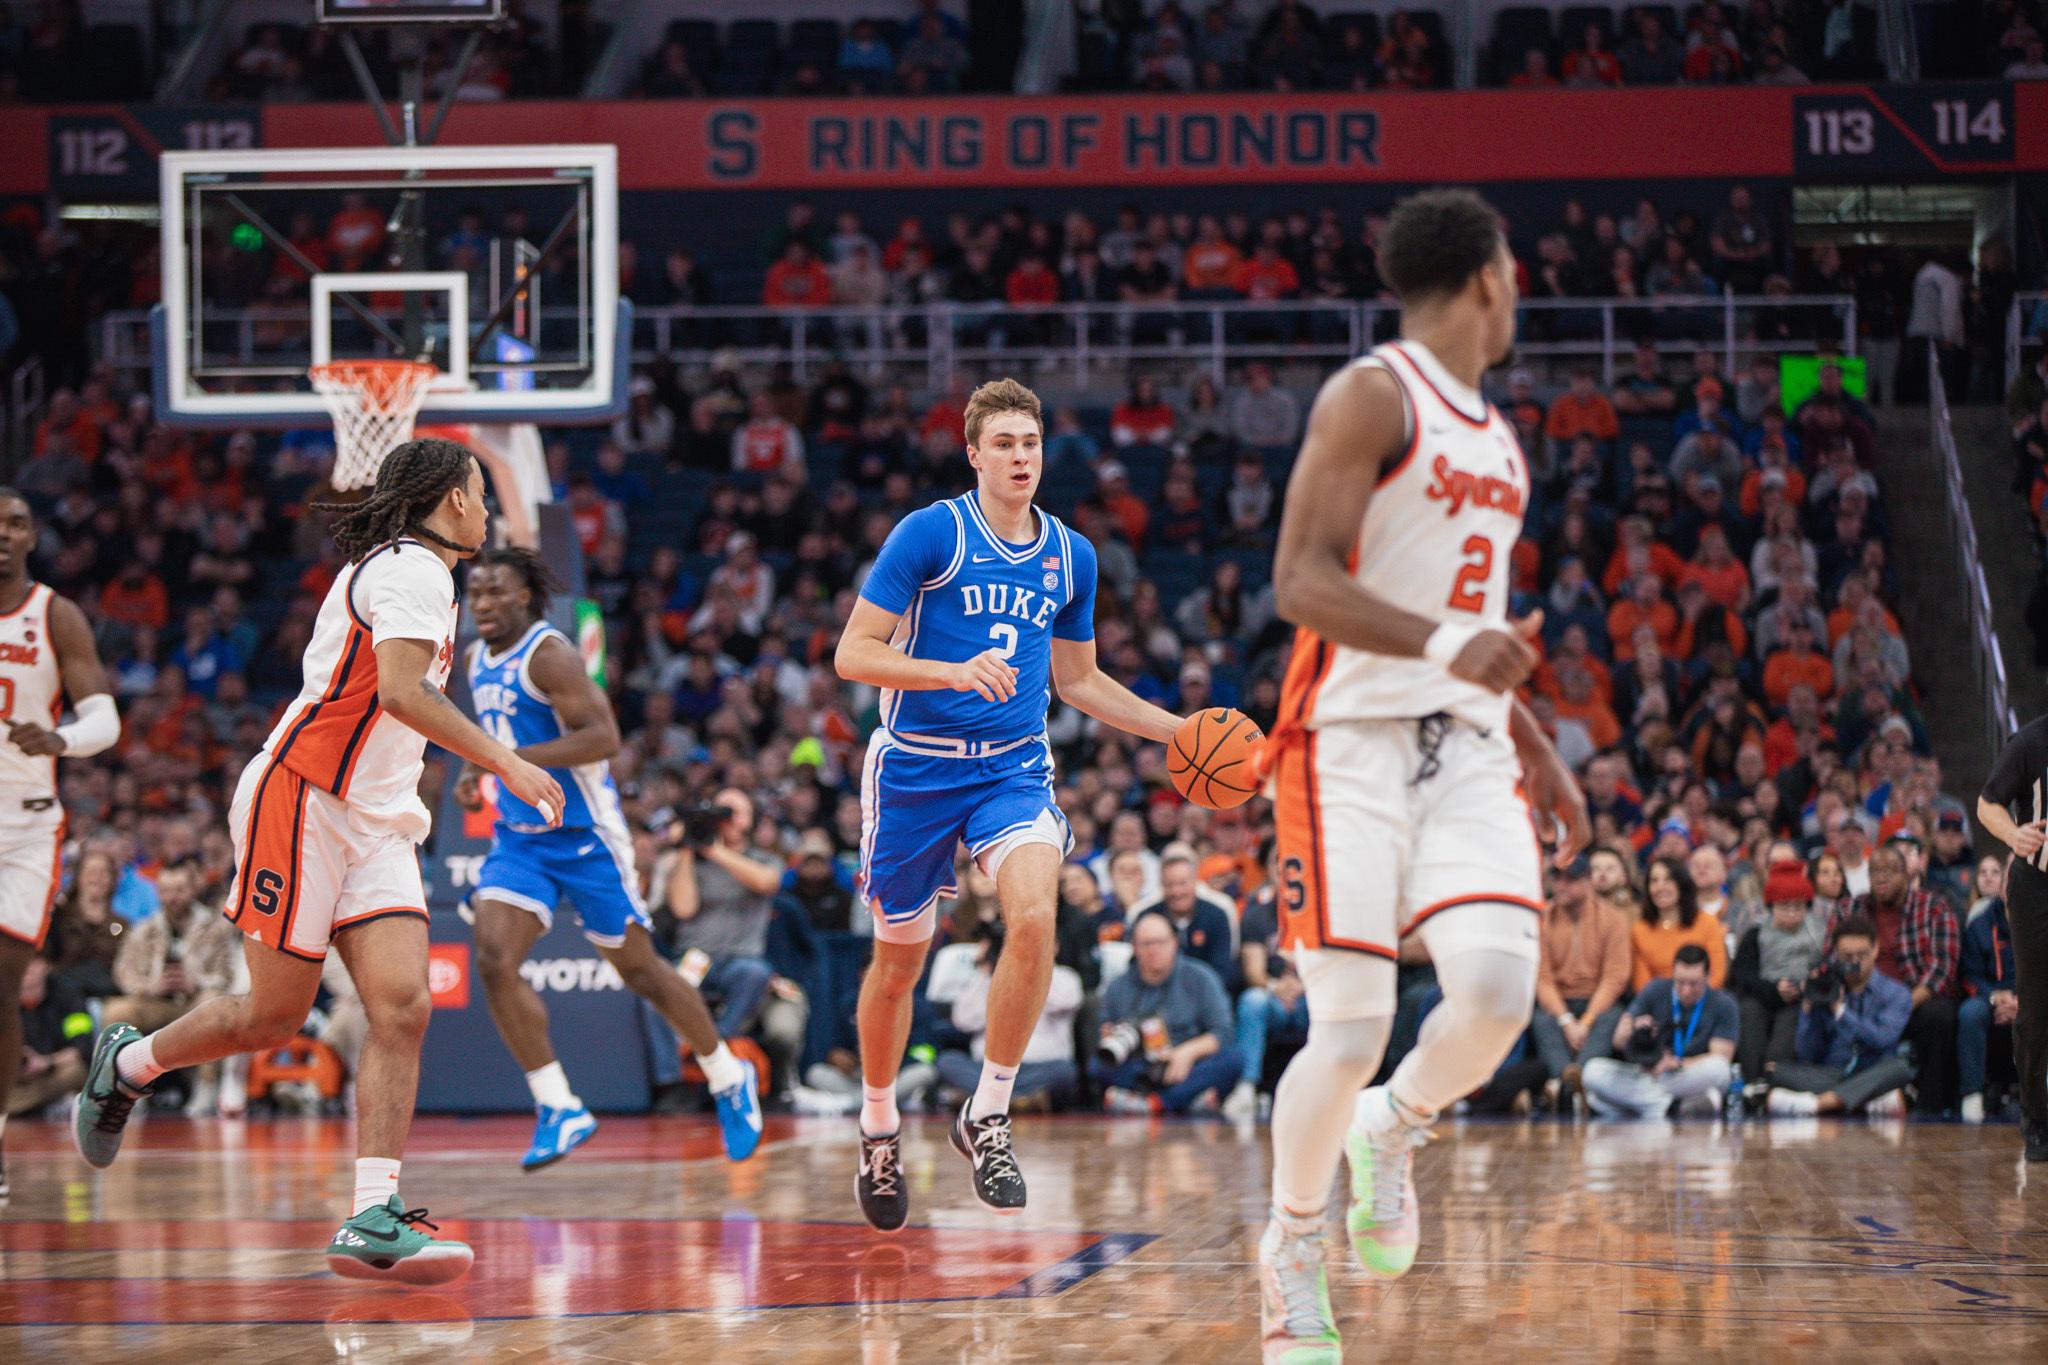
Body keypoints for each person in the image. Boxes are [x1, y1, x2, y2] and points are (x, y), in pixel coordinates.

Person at [72, 439, 566, 1284]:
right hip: (300, 798)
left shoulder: (427, 576)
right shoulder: (413, 570)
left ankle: (372, 1213)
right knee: (272, 1016)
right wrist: (508, 762)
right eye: (482, 495)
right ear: (451, 500)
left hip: (375, 819)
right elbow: (405, 694)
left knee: (404, 1004)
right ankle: (127, 1062)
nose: (490, 512)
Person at [1249, 188, 1590, 1361]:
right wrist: (1451, 648)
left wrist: (1535, 745)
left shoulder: (1496, 436)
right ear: (1489, 277)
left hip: (1467, 746)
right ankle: (1291, 1250)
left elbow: (1476, 620)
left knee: (1496, 994)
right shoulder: (1371, 392)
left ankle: (1389, 1132)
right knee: (1346, 1031)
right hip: (1343, 744)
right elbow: (1296, 580)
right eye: (1517, 275)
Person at [835, 378, 1183, 1230]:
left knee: (1034, 918)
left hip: (1012, 769)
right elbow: (853, 653)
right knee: (899, 964)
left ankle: (987, 1110)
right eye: (1004, 443)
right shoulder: (931, 533)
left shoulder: (1072, 556)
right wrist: (949, 671)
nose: (1021, 456)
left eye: (1030, 442)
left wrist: (1177, 731)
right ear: (974, 453)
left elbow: (1078, 679)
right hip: (915, 768)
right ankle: (879, 1125)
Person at [454, 548, 761, 1171]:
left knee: (643, 973)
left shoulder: (550, 655)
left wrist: (513, 763)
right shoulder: (472, 657)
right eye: (475, 592)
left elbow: (603, 739)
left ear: (524, 599)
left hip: (585, 836)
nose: (481, 604)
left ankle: (727, 1075)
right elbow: (488, 731)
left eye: (494, 593)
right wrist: (472, 767)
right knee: (491, 958)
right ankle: (558, 1104)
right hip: (520, 838)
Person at [0, 487, 120, 1198]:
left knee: (3, 984)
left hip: (26, 821)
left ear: (33, 535)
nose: (3, 533)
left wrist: (60, 737)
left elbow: (104, 719)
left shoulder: (55, 614)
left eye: (15, 522)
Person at [1829, 843, 1959, 1114]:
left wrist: (1898, 1007)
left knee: (1939, 1016)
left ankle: (1930, 1105)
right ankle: (1838, 1090)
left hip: (1914, 1000)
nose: (1881, 877)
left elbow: (1941, 970)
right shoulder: (1848, 908)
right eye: (1875, 870)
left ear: (1907, 875)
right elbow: (1831, 959)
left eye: (1890, 871)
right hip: (1859, 997)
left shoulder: (1934, 907)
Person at [1976, 714, 2048, 1159]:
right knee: (2037, 1008)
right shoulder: (2031, 741)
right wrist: (2013, 833)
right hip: (2037, 886)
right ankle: (2036, 1117)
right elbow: (1988, 804)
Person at [1091, 909, 1240, 1113]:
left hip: (1189, 1062)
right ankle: (1188, 1099)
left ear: (1174, 943)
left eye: (1160, 942)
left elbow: (1223, 1032)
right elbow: (1106, 1034)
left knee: (1233, 1059)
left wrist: (1187, 1053)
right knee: (1097, 1065)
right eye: (1146, 944)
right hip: (1142, 1065)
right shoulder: (1118, 986)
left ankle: (1153, 1103)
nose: (1154, 950)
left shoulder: (1201, 977)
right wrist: (1109, 1035)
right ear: (1134, 947)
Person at [1764, 916, 1914, 1116]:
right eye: (1847, 957)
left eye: (1862, 955)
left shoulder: (1896, 993)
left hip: (1873, 1069)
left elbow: (1882, 1039)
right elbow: (1807, 1053)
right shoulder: (1826, 988)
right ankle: (1865, 1103)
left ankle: (1821, 1104)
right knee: (1778, 1071)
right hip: (1831, 1072)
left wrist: (1841, 1011)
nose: (1855, 963)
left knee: (1900, 1068)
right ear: (1836, 954)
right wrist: (1808, 1008)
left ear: (1875, 949)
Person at [935, 918, 1081, 1112]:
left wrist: (1035, 962)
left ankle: (984, 1101)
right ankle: (1020, 1102)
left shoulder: (1066, 977)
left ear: (1054, 947)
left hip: (1040, 1068)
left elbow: (1063, 1000)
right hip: (989, 1071)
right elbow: (963, 1021)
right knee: (948, 1062)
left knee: (1064, 1072)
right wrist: (988, 970)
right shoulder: (990, 977)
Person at [1580, 944, 1738, 1118]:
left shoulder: (1724, 1003)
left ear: (1709, 976)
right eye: (1680, 982)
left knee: (1719, 1070)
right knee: (1592, 1071)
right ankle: (1670, 1107)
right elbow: (1619, 1041)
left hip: (1685, 1074)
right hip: (1647, 1073)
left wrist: (1675, 1064)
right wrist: (1631, 1030)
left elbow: (1722, 1057)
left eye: (1694, 984)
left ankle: (1635, 1106)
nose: (1686, 991)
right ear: (1673, 974)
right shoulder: (1655, 988)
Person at [1530, 853, 1632, 1106]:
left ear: (1588, 882)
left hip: (1596, 1003)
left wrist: (1586, 1020)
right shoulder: (1542, 920)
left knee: (1613, 1017)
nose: (1561, 885)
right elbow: (1541, 979)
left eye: (1570, 880)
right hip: (1558, 1003)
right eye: (1558, 879)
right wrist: (1566, 1021)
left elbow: (1615, 978)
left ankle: (1567, 1086)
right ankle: (1572, 1087)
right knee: (1541, 1019)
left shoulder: (1613, 920)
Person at [1728, 861, 1827, 1085]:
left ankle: (1774, 1078)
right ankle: (1753, 1081)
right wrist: (1774, 989)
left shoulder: (1817, 934)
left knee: (1793, 1020)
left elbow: (1824, 969)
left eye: (1798, 906)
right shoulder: (1756, 933)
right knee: (1749, 1012)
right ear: (1771, 906)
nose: (1791, 913)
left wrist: (1807, 985)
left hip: (1799, 997)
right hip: (1764, 993)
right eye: (1784, 906)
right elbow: (1742, 974)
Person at [1957, 854, 2015, 1125]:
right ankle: (1972, 1095)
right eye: (2009, 878)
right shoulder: (1980, 922)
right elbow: (1969, 974)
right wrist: (1995, 997)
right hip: (1990, 996)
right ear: (2002, 884)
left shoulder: (2041, 920)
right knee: (1970, 1013)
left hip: (2032, 999)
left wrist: (2022, 1002)